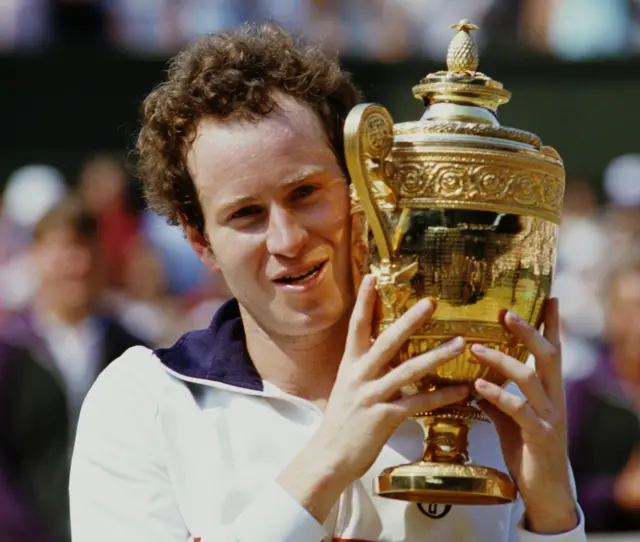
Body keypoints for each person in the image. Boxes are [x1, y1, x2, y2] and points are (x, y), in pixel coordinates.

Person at [69, 23, 585, 541]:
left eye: (305, 193)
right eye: (246, 214)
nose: (287, 239)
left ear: (362, 189)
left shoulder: (483, 401)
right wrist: (328, 460)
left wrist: (555, 514)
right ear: (199, 239)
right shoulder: (145, 402)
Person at [0, 197, 146, 542]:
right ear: (36, 255)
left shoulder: (132, 350)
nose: (76, 265)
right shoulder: (9, 350)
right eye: (63, 251)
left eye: (86, 251)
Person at [567, 252, 640, 532]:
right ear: (609, 313)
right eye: (628, 308)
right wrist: (616, 494)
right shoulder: (581, 393)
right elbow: (560, 493)